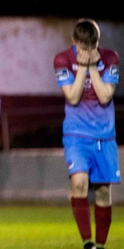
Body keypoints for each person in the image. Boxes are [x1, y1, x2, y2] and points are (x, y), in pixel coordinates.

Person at [54, 18, 119, 249]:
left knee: (103, 192)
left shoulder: (110, 58)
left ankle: (100, 246)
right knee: (79, 184)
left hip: (104, 136)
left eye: (92, 47)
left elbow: (104, 96)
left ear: (97, 43)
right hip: (76, 135)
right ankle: (88, 243)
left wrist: (91, 66)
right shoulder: (62, 60)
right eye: (83, 47)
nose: (87, 51)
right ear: (74, 42)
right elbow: (72, 97)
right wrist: (83, 67)